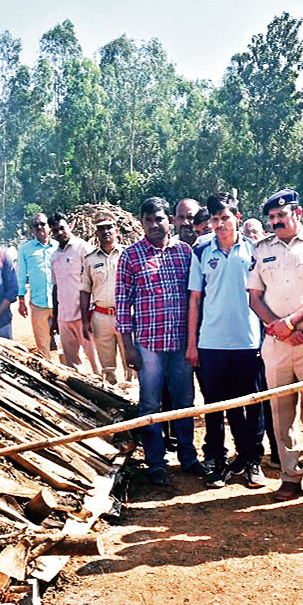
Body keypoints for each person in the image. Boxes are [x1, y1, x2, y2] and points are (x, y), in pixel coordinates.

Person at [247, 188, 303, 501]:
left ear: (297, 213)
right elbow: (254, 296)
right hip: (276, 343)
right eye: (271, 218)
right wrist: (279, 328)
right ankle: (289, 475)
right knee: (281, 411)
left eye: (282, 215)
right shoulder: (261, 248)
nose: (276, 222)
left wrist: (292, 322)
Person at [117, 197, 203, 485]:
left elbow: (195, 299)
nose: (154, 225)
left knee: (185, 402)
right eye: (148, 220)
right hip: (148, 345)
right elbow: (122, 305)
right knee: (150, 405)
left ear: (170, 220)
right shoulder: (130, 256)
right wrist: (128, 347)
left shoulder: (185, 253)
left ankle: (188, 458)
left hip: (180, 343)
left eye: (159, 219)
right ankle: (156, 463)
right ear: (141, 223)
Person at [187, 193, 266, 489]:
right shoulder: (202, 252)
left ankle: (251, 461)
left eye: (225, 219)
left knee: (252, 405)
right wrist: (193, 343)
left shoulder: (256, 251)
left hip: (248, 342)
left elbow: (263, 296)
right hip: (211, 343)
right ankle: (217, 464)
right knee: (214, 406)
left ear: (238, 218)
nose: (220, 225)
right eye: (215, 220)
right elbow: (195, 300)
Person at [80, 214, 131, 386]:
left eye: (109, 227)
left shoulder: (128, 255)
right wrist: (85, 321)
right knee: (107, 366)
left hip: (126, 316)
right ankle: (114, 399)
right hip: (101, 317)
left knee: (131, 364)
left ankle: (134, 397)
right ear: (96, 233)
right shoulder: (90, 260)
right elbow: (85, 291)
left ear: (117, 231)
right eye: (101, 228)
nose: (105, 231)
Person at [49, 213, 99, 374]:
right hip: (64, 317)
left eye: (62, 228)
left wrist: (92, 312)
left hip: (84, 315)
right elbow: (56, 287)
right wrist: (56, 319)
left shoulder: (83, 248)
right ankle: (81, 395)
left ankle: (107, 393)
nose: (59, 233)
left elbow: (95, 279)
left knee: (96, 359)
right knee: (72, 364)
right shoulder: (54, 256)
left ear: (70, 226)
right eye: (55, 230)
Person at [16, 214, 57, 357]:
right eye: (36, 225)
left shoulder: (59, 247)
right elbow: (21, 276)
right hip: (38, 304)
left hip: (60, 305)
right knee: (42, 345)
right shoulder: (25, 249)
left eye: (43, 224)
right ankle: (49, 377)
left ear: (50, 227)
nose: (39, 227)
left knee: (63, 344)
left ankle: (71, 375)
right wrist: (21, 301)